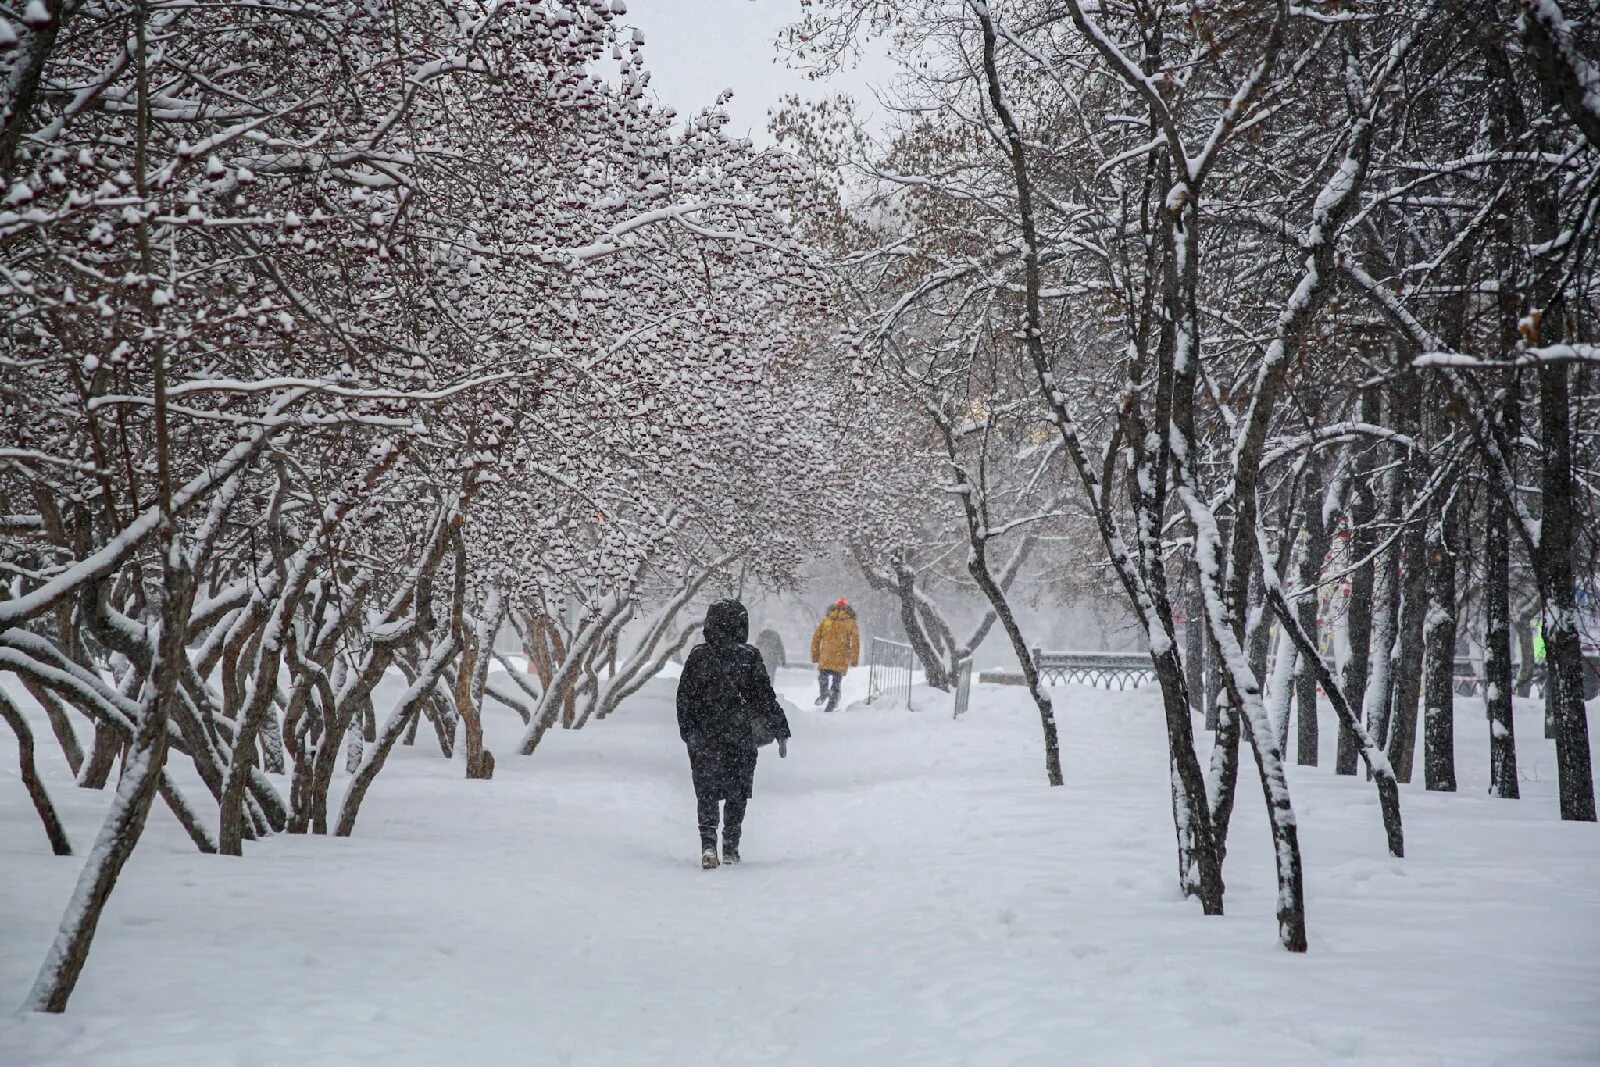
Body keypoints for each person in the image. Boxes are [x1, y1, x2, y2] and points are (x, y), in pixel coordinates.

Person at [676, 599, 791, 869]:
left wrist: (688, 731)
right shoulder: (749, 657)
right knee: (737, 792)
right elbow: (765, 698)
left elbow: (684, 698)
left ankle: (707, 843)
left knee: (706, 792)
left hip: (704, 737)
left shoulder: (698, 656)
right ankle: (730, 846)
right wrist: (780, 729)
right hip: (739, 736)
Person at [810, 598, 860, 713]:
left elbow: (816, 638)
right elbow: (855, 642)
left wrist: (815, 655)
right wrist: (854, 660)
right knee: (836, 683)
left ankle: (824, 693)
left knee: (823, 677)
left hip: (826, 656)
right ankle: (830, 706)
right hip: (841, 657)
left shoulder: (826, 621)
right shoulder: (851, 623)